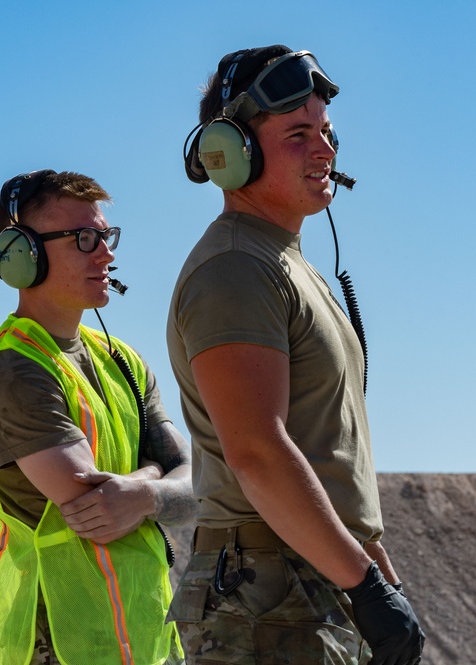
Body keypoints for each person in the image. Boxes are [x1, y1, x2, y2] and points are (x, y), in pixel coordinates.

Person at [167, 46, 425, 664]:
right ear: (229, 153)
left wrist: (368, 567)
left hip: (308, 579)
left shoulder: (283, 265)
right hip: (266, 596)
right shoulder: (237, 268)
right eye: (299, 134)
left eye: (328, 133)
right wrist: (362, 585)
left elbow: (322, 446)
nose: (326, 151)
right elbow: (256, 451)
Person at [0, 169, 194, 665]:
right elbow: (95, 508)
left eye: (106, 236)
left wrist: (143, 492)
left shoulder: (123, 360)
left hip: (139, 642)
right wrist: (157, 476)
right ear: (22, 255)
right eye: (85, 238)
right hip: (50, 645)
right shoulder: (10, 370)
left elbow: (203, 483)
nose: (107, 253)